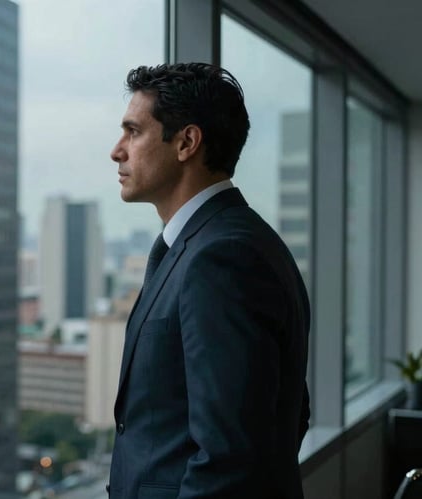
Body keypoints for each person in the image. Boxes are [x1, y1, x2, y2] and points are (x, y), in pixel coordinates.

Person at [107, 63, 310, 499]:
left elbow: (229, 457)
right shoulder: (221, 241)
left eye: (133, 132)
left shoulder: (223, 256)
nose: (117, 151)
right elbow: (285, 415)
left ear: (186, 142)